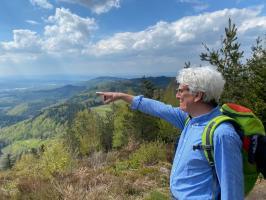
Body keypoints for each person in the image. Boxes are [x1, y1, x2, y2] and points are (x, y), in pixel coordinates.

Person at [96, 66, 244, 200]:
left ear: (197, 95)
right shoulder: (189, 120)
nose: (177, 96)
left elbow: (232, 190)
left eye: (180, 91)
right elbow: (159, 108)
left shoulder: (222, 134)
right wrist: (122, 96)